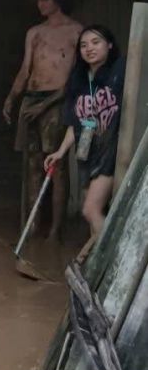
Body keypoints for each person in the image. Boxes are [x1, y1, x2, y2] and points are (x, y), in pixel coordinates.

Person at [3, 0, 81, 241]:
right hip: (31, 99)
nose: (40, 4)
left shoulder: (76, 32)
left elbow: (75, 79)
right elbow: (26, 69)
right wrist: (12, 98)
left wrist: (49, 103)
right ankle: (33, 225)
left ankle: (56, 230)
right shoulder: (34, 32)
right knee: (32, 165)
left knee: (56, 167)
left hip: (56, 101)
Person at [45, 25, 126, 239]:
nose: (89, 48)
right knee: (91, 215)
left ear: (109, 45)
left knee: (90, 210)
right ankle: (94, 268)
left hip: (111, 150)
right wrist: (60, 152)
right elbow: (75, 123)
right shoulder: (78, 80)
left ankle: (113, 264)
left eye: (95, 42)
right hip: (86, 151)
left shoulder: (121, 69)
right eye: (83, 45)